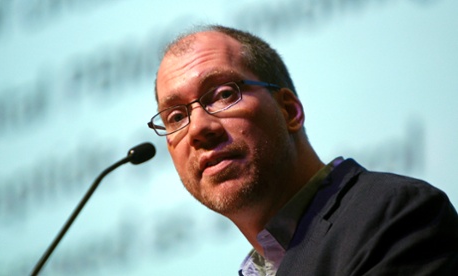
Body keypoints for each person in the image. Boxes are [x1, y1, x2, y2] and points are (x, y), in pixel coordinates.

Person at [147, 24, 458, 275]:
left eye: (224, 94)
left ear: (289, 111)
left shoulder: (393, 216)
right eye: (176, 116)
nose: (199, 129)